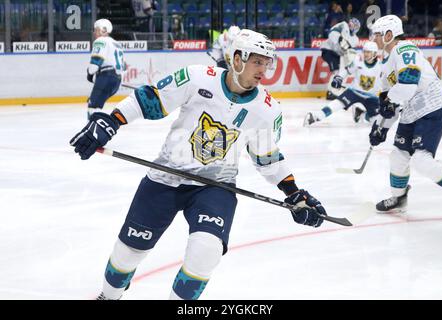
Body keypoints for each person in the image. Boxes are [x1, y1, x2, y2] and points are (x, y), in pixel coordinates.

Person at [69, 29, 328, 300]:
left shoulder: (267, 110)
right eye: (257, 61)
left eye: (267, 63)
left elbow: (267, 159)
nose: (264, 70)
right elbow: (151, 99)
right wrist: (111, 121)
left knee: (206, 250)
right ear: (237, 59)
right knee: (127, 254)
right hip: (165, 178)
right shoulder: (197, 77)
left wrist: (294, 193)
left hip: (215, 187)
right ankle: (109, 296)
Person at [368, 15, 442, 213]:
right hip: (412, 112)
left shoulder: (405, 48)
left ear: (389, 34)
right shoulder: (385, 67)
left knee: (421, 160)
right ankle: (399, 197)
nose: (373, 39)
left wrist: (389, 102)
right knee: (398, 155)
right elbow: (390, 106)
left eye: (377, 35)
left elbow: (408, 82)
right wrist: (380, 127)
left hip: (431, 106)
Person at [304, 40, 382, 126]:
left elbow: (387, 83)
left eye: (368, 52)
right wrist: (339, 78)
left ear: (375, 54)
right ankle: (316, 116)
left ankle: (361, 114)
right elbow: (346, 71)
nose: (366, 54)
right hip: (354, 92)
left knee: (377, 120)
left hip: (371, 97)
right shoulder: (358, 60)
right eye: (365, 52)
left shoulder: (381, 66)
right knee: (337, 103)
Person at [87, 19, 124, 118]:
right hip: (117, 79)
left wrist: (90, 73)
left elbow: (95, 63)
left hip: (106, 77)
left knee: (93, 106)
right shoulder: (117, 44)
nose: (94, 32)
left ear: (102, 30)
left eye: (96, 29)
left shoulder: (100, 41)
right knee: (97, 104)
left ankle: (93, 131)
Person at [320, 17, 361, 100]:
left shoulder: (355, 39)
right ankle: (330, 92)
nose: (350, 25)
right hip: (328, 49)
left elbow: (350, 51)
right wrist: (339, 39)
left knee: (342, 70)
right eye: (350, 23)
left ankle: (334, 89)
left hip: (337, 53)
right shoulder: (343, 25)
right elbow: (331, 32)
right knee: (336, 71)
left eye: (353, 25)